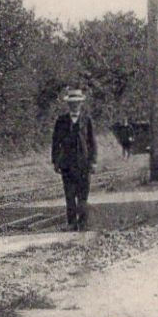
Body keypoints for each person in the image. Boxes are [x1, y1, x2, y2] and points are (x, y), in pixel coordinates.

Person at [51, 88, 99, 231]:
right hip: (67, 163)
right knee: (70, 194)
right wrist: (55, 161)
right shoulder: (61, 121)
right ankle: (72, 223)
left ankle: (83, 223)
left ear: (81, 104)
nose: (74, 105)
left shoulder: (87, 120)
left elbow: (92, 142)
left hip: (84, 163)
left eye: (77, 103)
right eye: (72, 103)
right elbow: (55, 142)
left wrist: (93, 161)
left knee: (83, 194)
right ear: (68, 105)